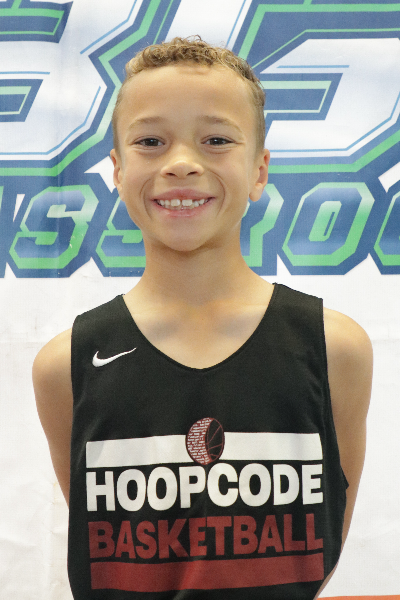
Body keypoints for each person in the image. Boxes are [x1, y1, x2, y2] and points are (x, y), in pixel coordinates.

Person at [33, 37, 373, 599]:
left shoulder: (334, 348)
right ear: (117, 170)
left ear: (259, 171)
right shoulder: (65, 365)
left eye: (216, 140)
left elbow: (322, 540)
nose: (181, 163)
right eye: (150, 141)